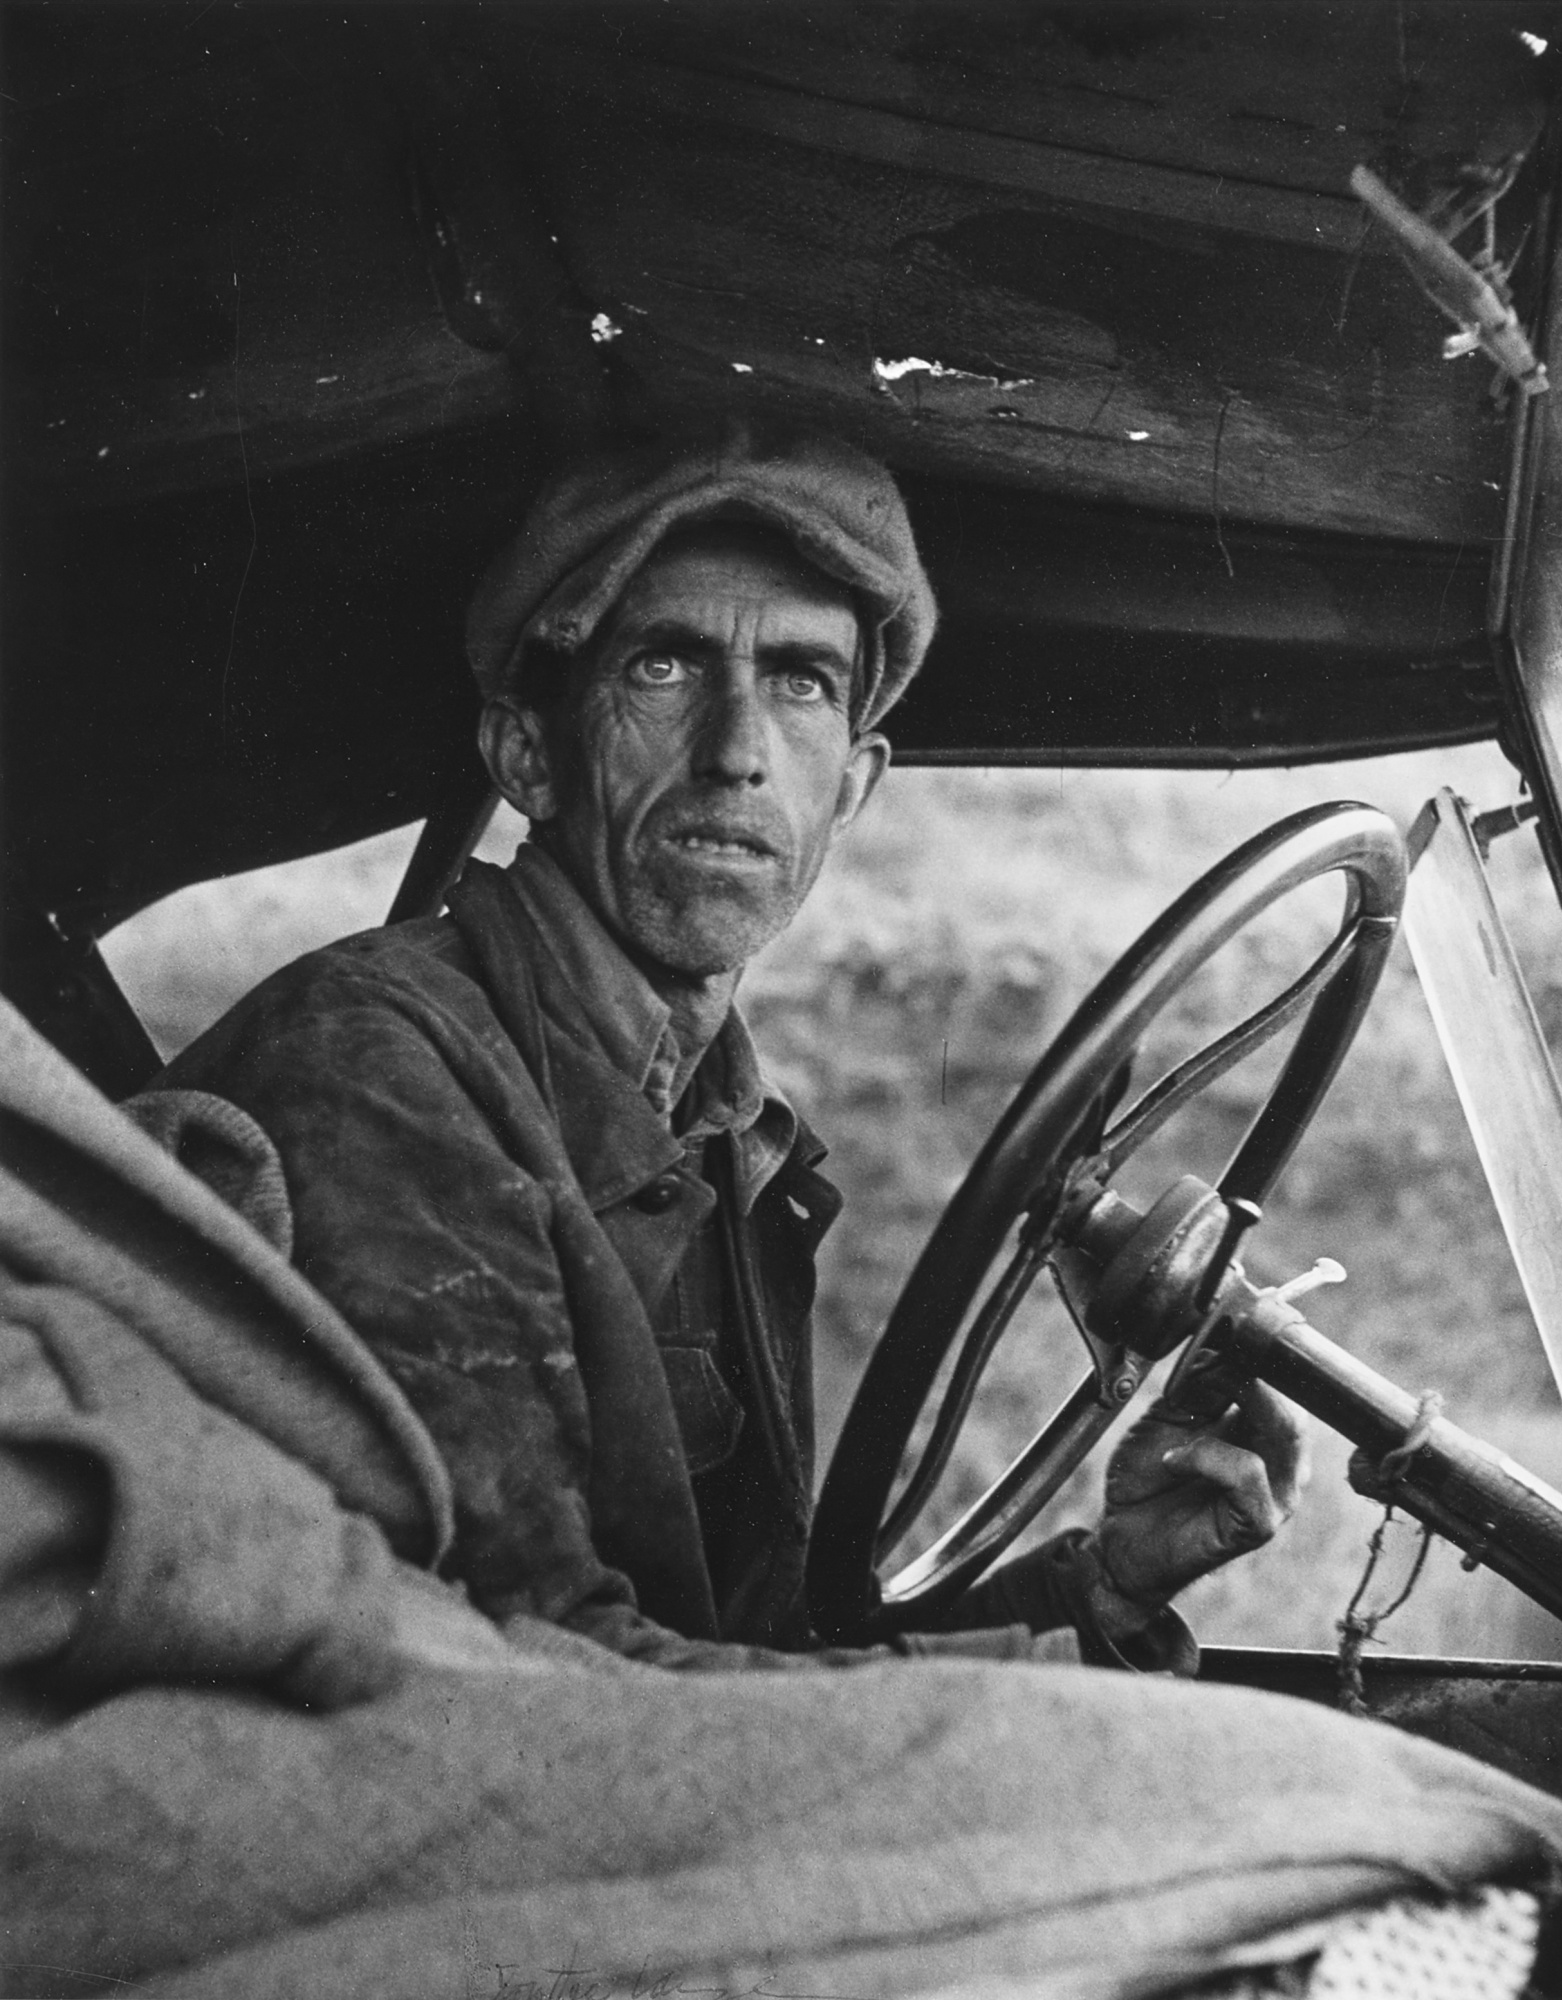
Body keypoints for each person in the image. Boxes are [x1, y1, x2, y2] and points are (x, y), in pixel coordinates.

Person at [157, 426, 1306, 1672]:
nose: (739, 749)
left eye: (804, 683)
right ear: (527, 752)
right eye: (664, 666)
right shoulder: (375, 1076)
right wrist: (1035, 1702)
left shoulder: (730, 1134)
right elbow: (541, 1682)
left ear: (852, 787)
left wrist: (1108, 1592)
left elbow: (751, 1647)